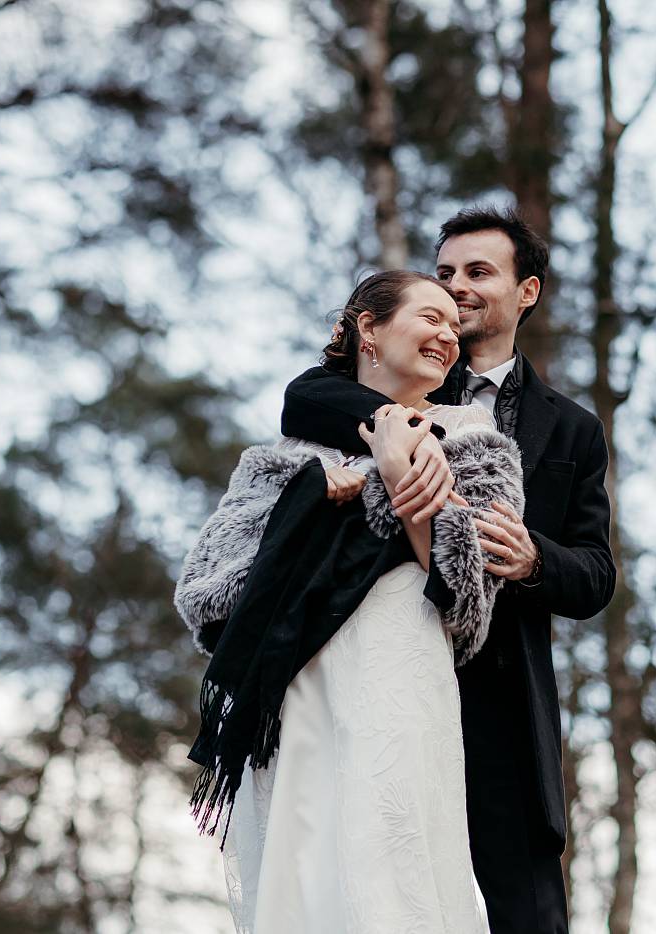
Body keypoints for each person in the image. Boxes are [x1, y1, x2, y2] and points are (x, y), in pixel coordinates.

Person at [281, 206, 617, 934]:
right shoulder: (403, 377)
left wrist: (533, 558)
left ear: (526, 292)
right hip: (381, 682)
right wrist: (415, 428)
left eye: (477, 272)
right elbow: (305, 395)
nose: (456, 288)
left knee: (526, 913)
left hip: (500, 703)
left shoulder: (573, 430)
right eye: (443, 273)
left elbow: (595, 576)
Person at [175, 270, 526, 933]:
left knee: (390, 860)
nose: (448, 335)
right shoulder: (283, 460)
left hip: (399, 670)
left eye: (454, 325)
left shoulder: (473, 438)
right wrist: (312, 495)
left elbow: (469, 593)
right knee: (305, 872)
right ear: (369, 328)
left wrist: (390, 477)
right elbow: (209, 592)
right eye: (430, 317)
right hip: (298, 687)